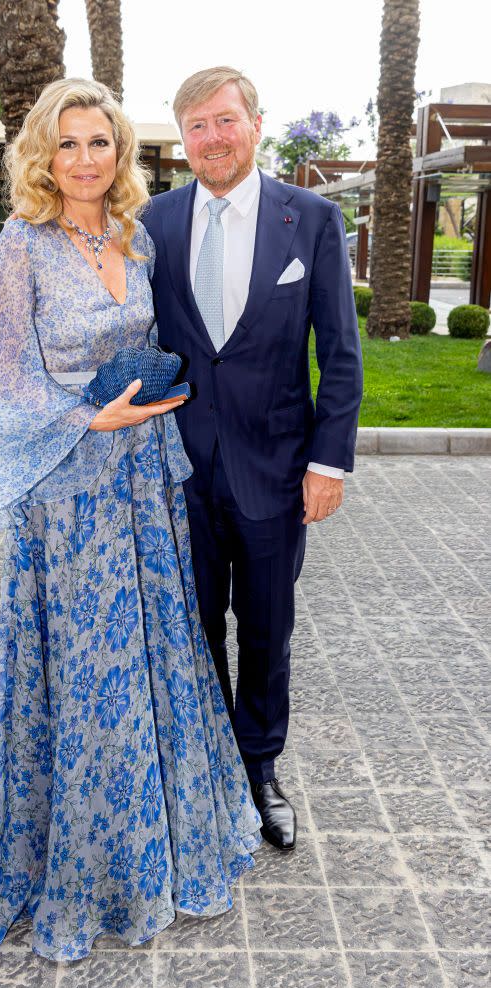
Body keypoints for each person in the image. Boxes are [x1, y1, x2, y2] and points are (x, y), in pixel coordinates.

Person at [0, 78, 265, 964]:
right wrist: (89, 418)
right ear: (42, 154)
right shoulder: (22, 245)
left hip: (143, 484)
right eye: (69, 143)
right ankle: (87, 864)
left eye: (101, 142)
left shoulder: (134, 237)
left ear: (121, 153)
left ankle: (151, 842)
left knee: (154, 655)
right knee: (90, 671)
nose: (86, 160)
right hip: (71, 493)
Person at [143, 67, 363, 853]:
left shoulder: (311, 220)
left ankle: (259, 768)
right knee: (192, 628)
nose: (211, 137)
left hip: (275, 470)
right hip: (174, 469)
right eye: (195, 125)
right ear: (181, 138)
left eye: (224, 120)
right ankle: (203, 769)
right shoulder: (153, 222)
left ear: (255, 124)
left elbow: (338, 352)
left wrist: (327, 464)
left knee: (266, 630)